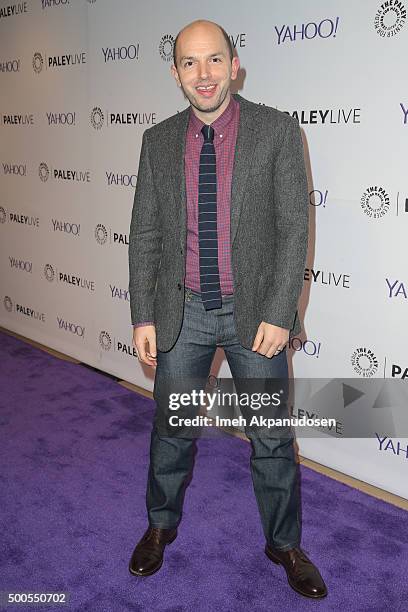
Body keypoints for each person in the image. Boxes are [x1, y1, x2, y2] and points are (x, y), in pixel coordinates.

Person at [127, 19, 327, 599]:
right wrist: (144, 313)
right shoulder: (157, 141)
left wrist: (280, 310)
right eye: (190, 63)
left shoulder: (277, 131)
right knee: (173, 429)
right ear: (175, 73)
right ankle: (160, 527)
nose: (204, 75)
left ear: (234, 65)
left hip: (256, 315)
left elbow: (294, 229)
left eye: (214, 60)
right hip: (182, 312)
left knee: (270, 435)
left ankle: (284, 543)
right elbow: (144, 234)